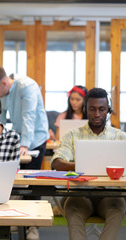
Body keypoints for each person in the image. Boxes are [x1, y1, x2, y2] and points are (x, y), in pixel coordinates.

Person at [51, 87, 126, 240]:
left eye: (102, 109)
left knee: (118, 207)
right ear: (86, 109)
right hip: (80, 195)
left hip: (112, 195)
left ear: (108, 110)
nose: (97, 114)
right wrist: (82, 165)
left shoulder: (121, 137)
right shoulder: (72, 135)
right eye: (92, 109)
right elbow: (56, 163)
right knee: (71, 206)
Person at [0, 66, 49, 170]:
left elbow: (29, 117)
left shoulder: (27, 86)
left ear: (4, 83)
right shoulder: (2, 92)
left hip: (35, 140)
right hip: (18, 140)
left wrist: (25, 145)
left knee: (29, 180)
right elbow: (0, 119)